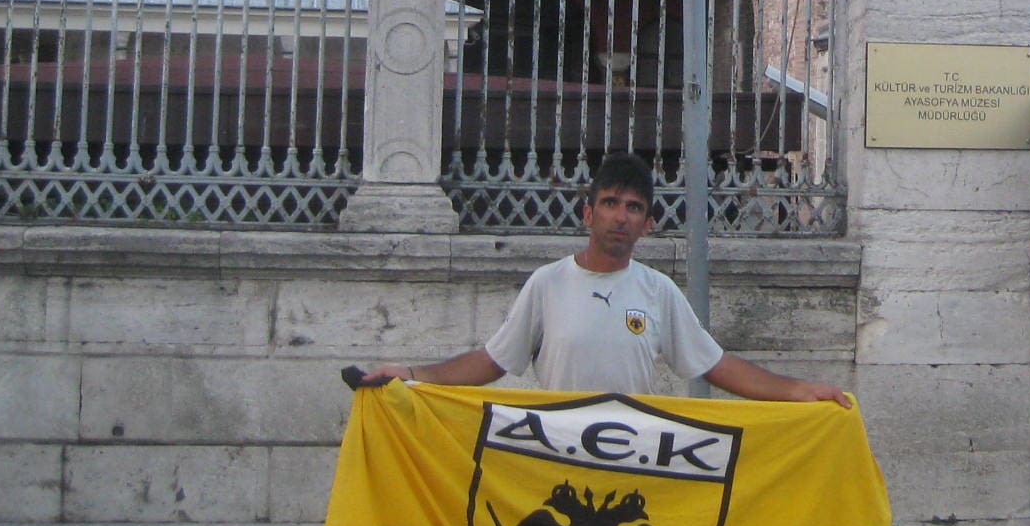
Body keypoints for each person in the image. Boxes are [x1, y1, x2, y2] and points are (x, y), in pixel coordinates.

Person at [360, 154, 849, 405]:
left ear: (648, 224)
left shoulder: (658, 291)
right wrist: (413, 374)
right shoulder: (547, 284)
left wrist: (800, 391)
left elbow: (715, 364)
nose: (620, 216)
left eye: (633, 207)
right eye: (610, 203)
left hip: (632, 460)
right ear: (588, 213)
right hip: (558, 458)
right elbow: (491, 361)